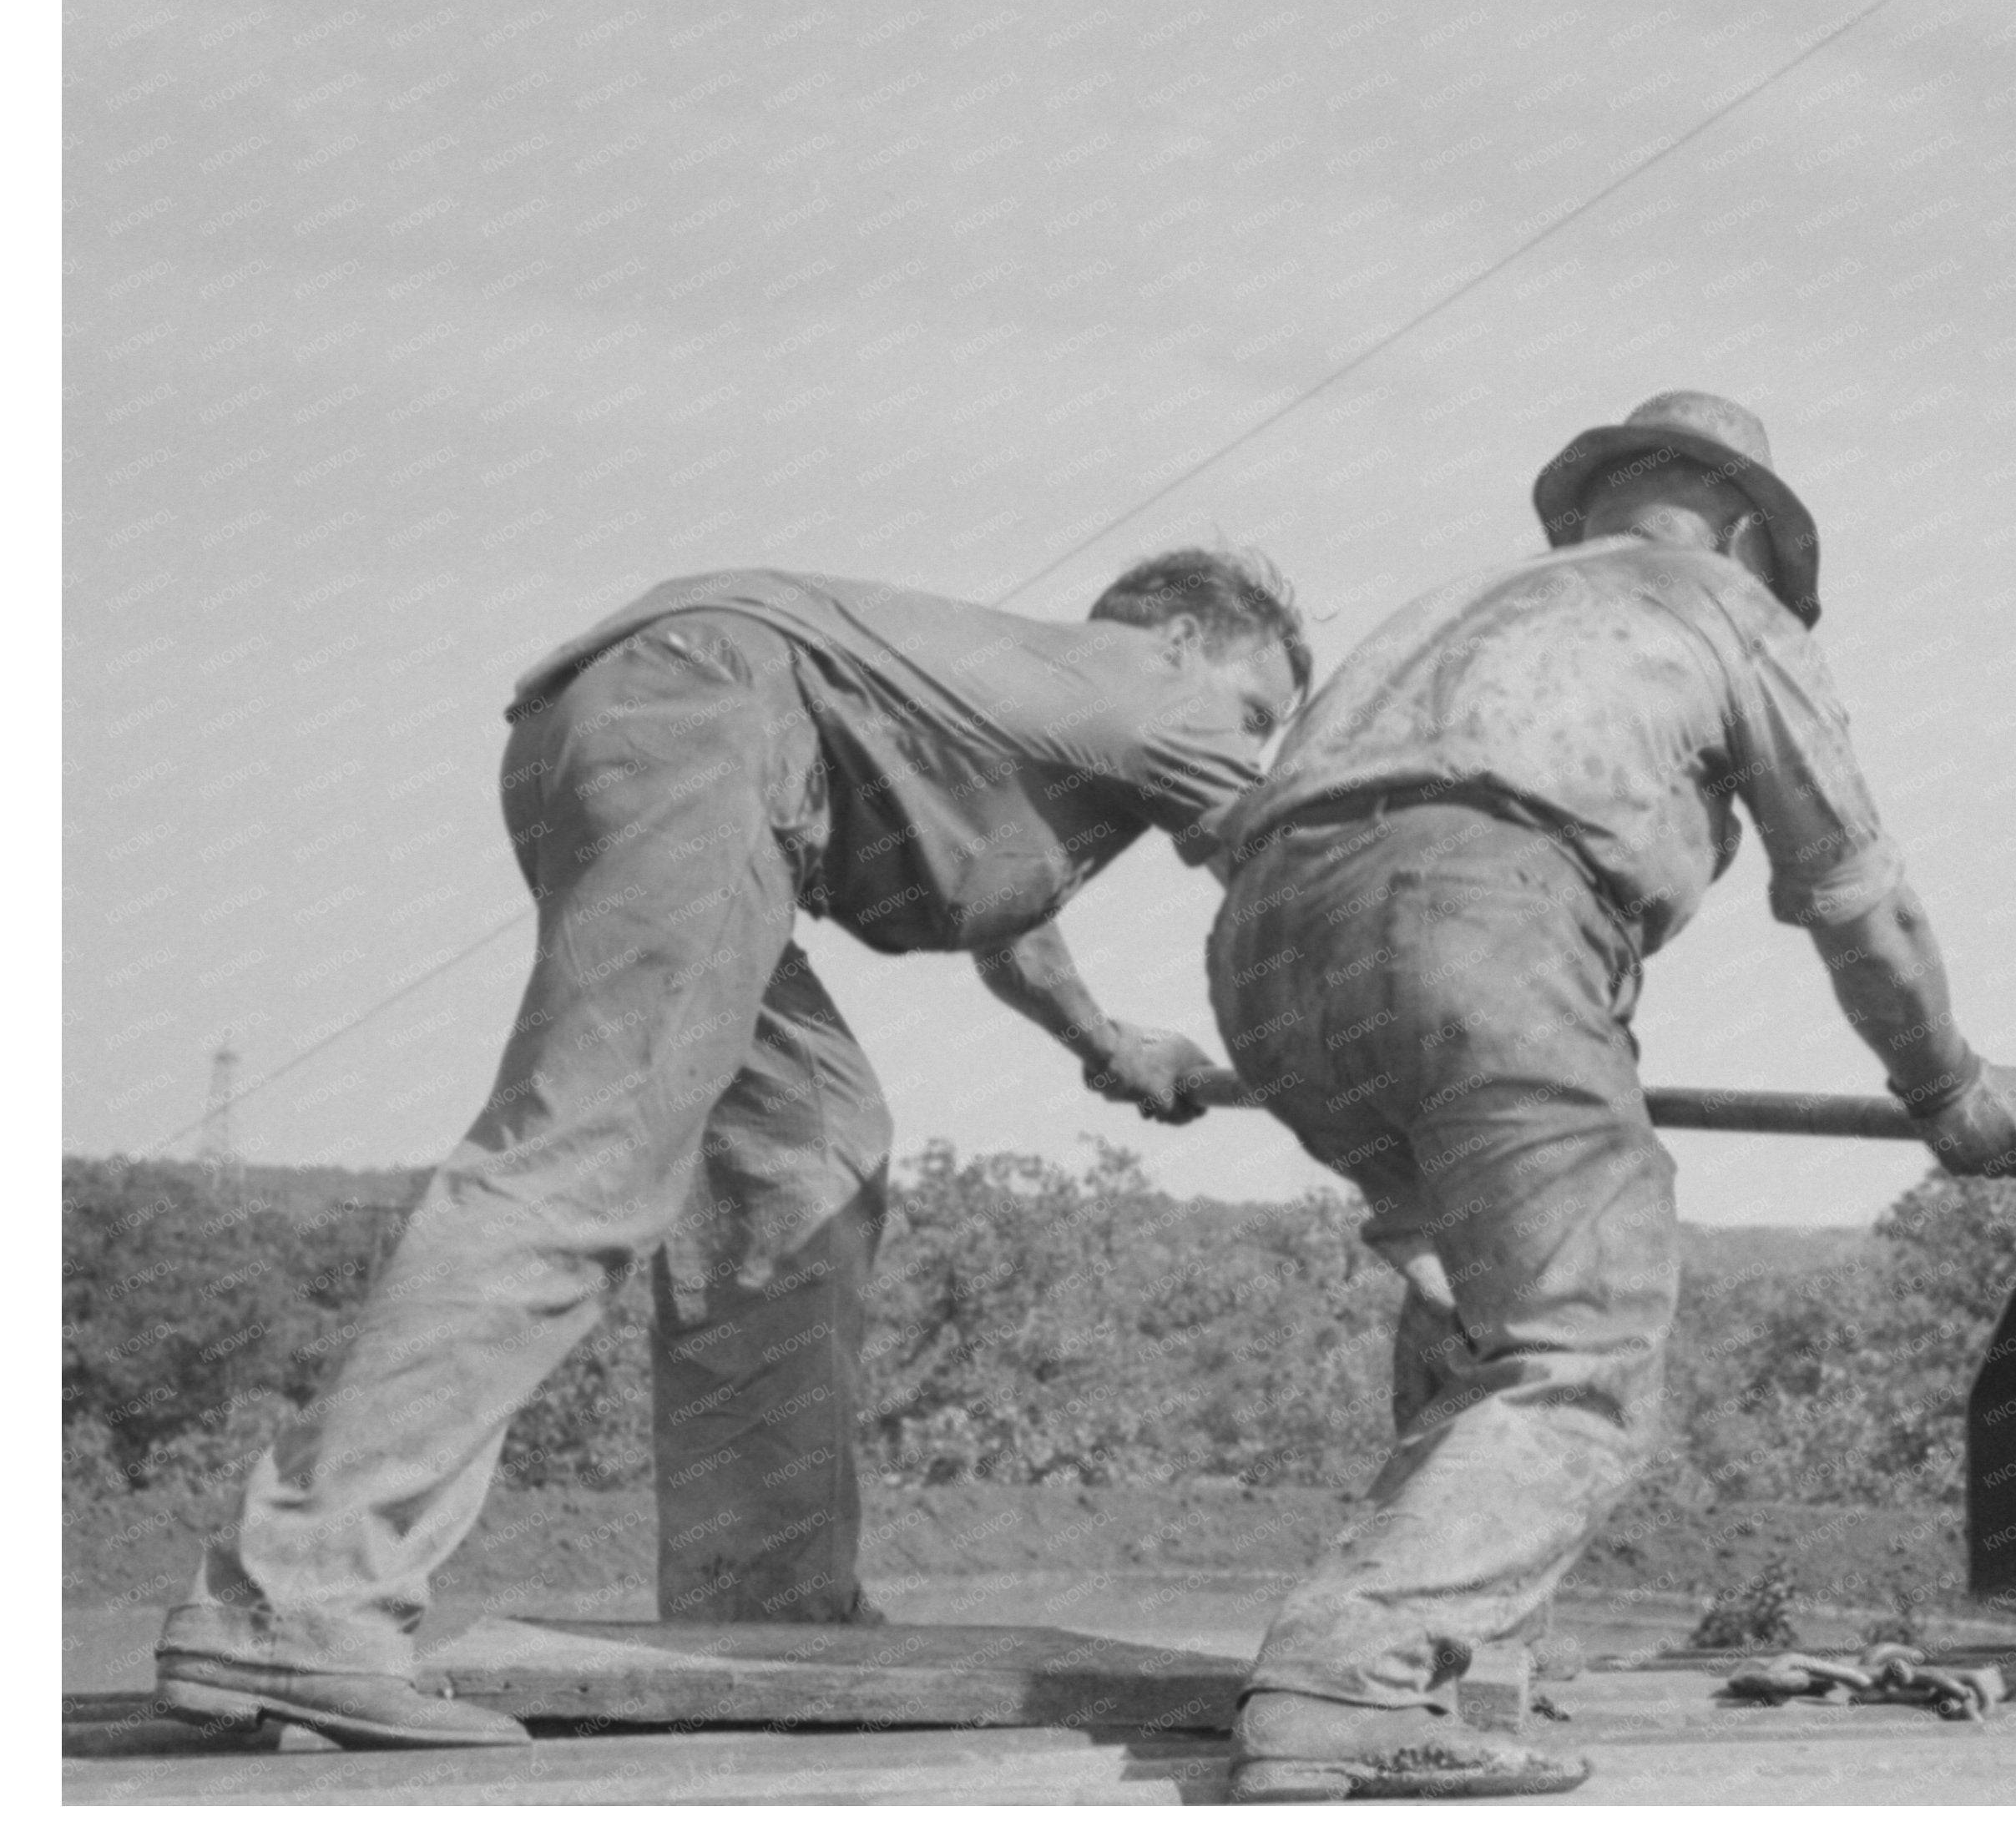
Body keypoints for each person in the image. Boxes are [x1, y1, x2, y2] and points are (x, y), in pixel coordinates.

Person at [155, 553, 1308, 1750]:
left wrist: (1107, 1041)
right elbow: (1309, 862)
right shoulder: (1151, 689)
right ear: (1176, 636)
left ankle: (767, 1610)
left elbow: (1011, 923)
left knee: (805, 1145)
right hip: (707, 723)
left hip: (648, 734)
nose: (1248, 745)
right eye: (1257, 712)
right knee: (586, 1159)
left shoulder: (1032, 701)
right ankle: (293, 1605)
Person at [1204, 392, 2016, 1802]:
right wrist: (1951, 1089)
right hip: (1484, 920)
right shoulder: (1718, 602)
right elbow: (1859, 907)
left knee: (1470, 1290)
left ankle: (1470, 1671)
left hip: (1268, 951)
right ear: (1738, 529)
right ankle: (1350, 1674)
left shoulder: (1453, 608)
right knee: (1581, 1341)